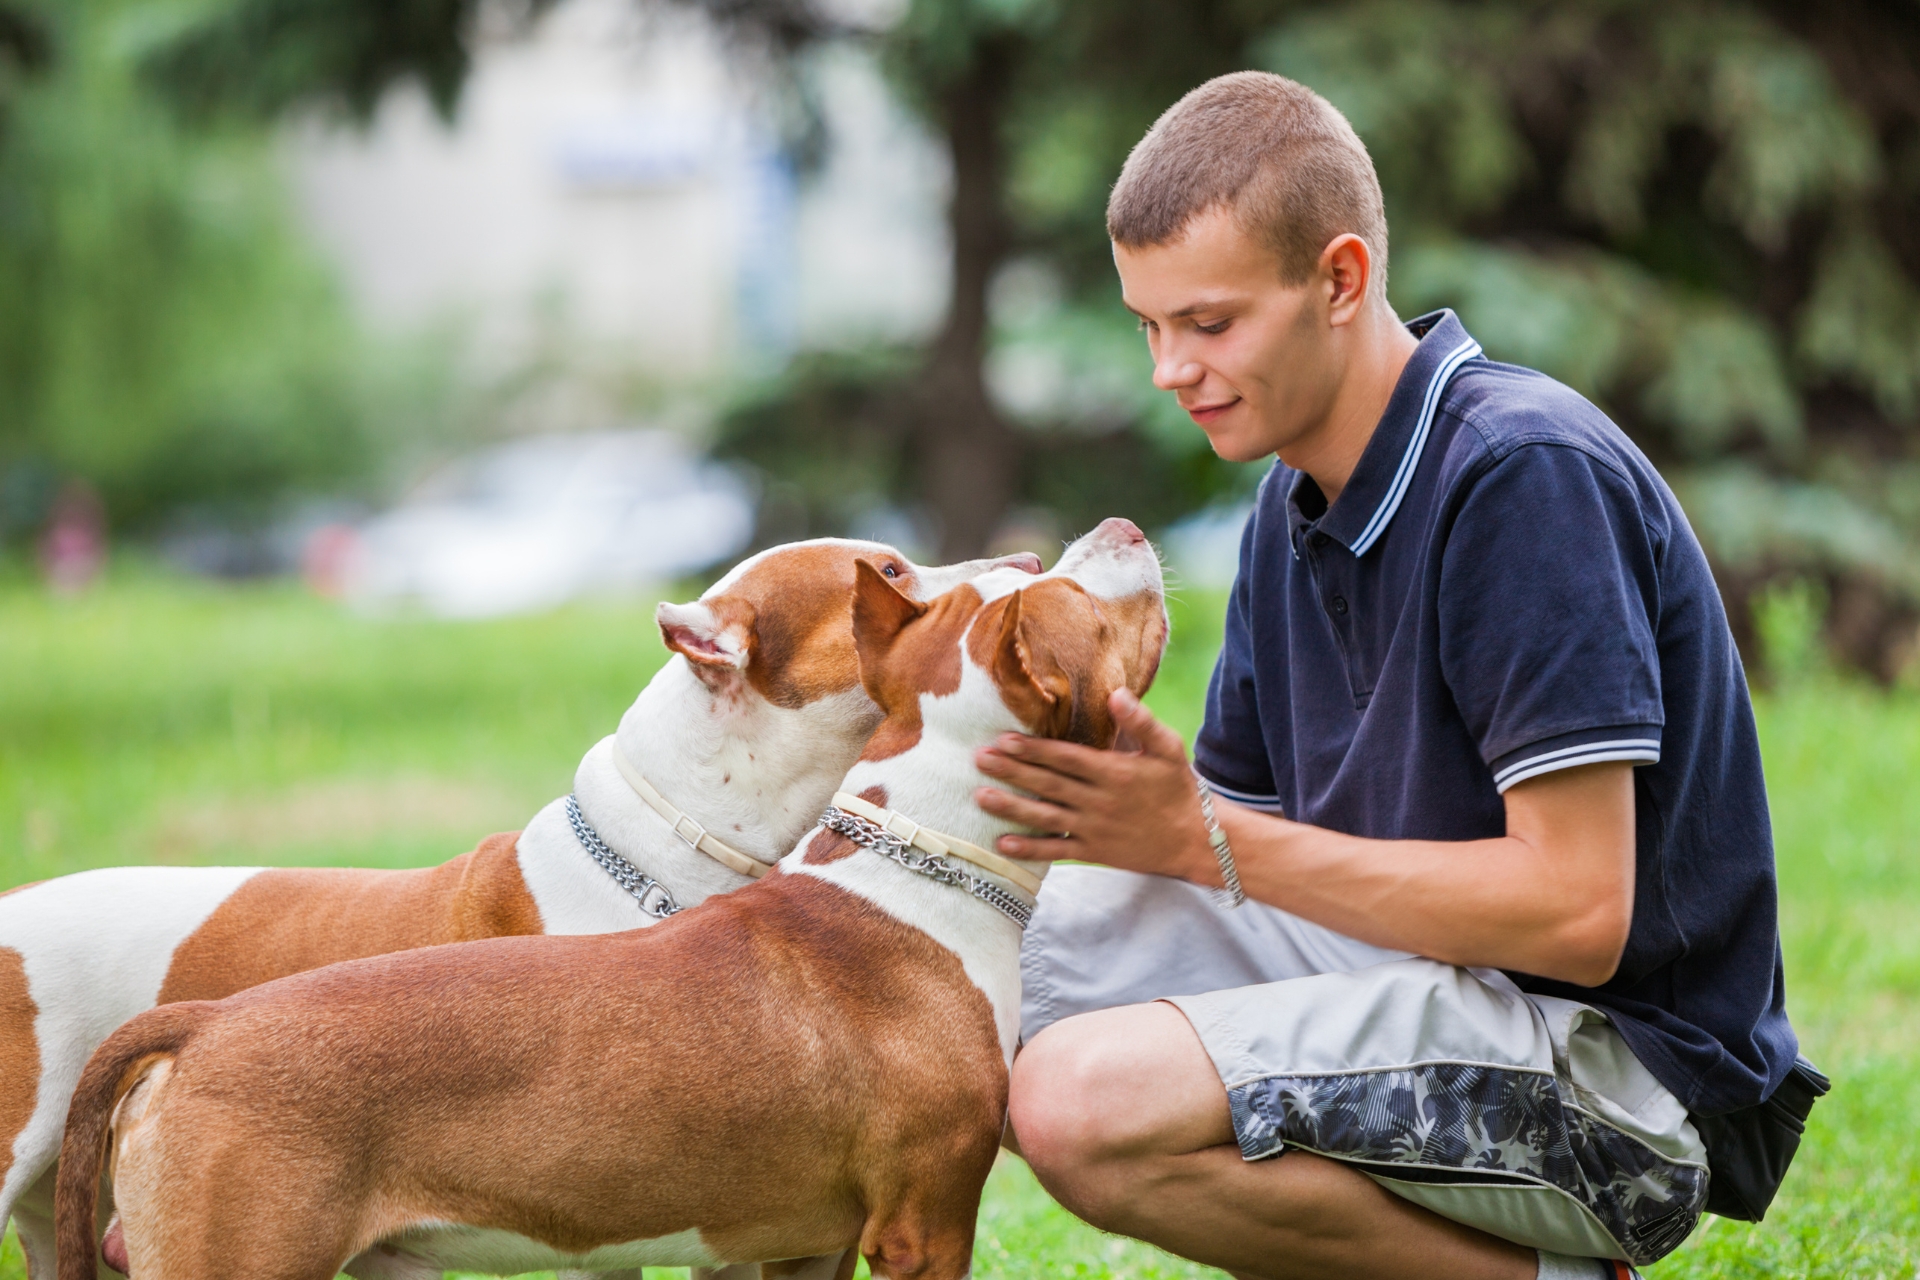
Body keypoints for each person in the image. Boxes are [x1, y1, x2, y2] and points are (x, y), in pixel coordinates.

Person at [974, 71, 1809, 1280]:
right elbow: (1234, 848)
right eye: (1146, 326)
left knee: (1076, 1098)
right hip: (1410, 980)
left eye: (1208, 324)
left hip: (1620, 1083)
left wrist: (1198, 836)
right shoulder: (1287, 503)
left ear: (1342, 279)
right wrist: (1087, 794)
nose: (1168, 368)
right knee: (971, 972)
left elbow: (1581, 912)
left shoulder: (1520, 475)